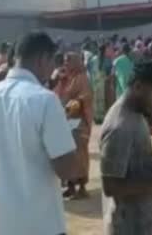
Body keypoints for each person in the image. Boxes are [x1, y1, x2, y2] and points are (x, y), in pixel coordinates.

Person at [0, 31, 78, 235]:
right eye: (52, 63)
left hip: (6, 224)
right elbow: (68, 170)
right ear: (42, 60)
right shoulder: (45, 100)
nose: (52, 71)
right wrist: (68, 135)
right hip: (43, 225)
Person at [99, 57, 152, 235]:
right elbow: (111, 186)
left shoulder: (137, 115)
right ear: (138, 87)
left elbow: (129, 164)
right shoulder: (120, 126)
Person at [54, 52, 93, 200]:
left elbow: (86, 97)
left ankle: (82, 187)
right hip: (65, 120)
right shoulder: (65, 78)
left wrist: (77, 103)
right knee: (65, 152)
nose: (66, 64)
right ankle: (70, 186)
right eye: (65, 61)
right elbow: (57, 94)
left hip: (79, 121)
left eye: (69, 61)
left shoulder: (82, 78)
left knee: (79, 153)